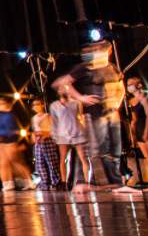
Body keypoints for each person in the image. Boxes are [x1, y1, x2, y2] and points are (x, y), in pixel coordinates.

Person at [50, 42, 125, 188]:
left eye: (100, 50)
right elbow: (62, 82)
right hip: (95, 114)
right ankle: (90, 182)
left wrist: (117, 103)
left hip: (112, 113)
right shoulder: (85, 68)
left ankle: (117, 182)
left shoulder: (112, 68)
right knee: (97, 148)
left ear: (108, 52)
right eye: (95, 50)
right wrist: (81, 98)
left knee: (115, 149)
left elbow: (120, 86)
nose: (97, 52)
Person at [124, 77, 148, 193]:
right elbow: (134, 118)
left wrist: (146, 131)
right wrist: (133, 132)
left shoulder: (143, 97)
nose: (129, 86)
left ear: (139, 85)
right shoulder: (132, 100)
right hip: (139, 128)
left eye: (132, 84)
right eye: (128, 84)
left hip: (147, 127)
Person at [0, 96, 30, 192]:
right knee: (2, 162)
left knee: (14, 160)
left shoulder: (8, 114)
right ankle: (7, 183)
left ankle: (27, 180)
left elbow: (12, 128)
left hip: (9, 139)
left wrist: (7, 138)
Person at [48, 89, 91, 192]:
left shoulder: (76, 103)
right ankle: (64, 183)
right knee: (64, 159)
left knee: (83, 158)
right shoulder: (55, 106)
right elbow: (54, 122)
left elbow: (81, 117)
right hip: (63, 135)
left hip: (78, 133)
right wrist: (55, 135)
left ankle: (87, 182)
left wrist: (85, 131)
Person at [29, 98, 61, 191]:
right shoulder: (34, 118)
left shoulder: (48, 116)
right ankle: (44, 183)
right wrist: (33, 135)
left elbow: (53, 130)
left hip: (47, 139)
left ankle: (55, 182)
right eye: (34, 105)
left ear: (42, 105)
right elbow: (34, 130)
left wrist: (45, 136)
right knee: (39, 163)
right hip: (38, 141)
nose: (35, 106)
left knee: (51, 162)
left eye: (38, 104)